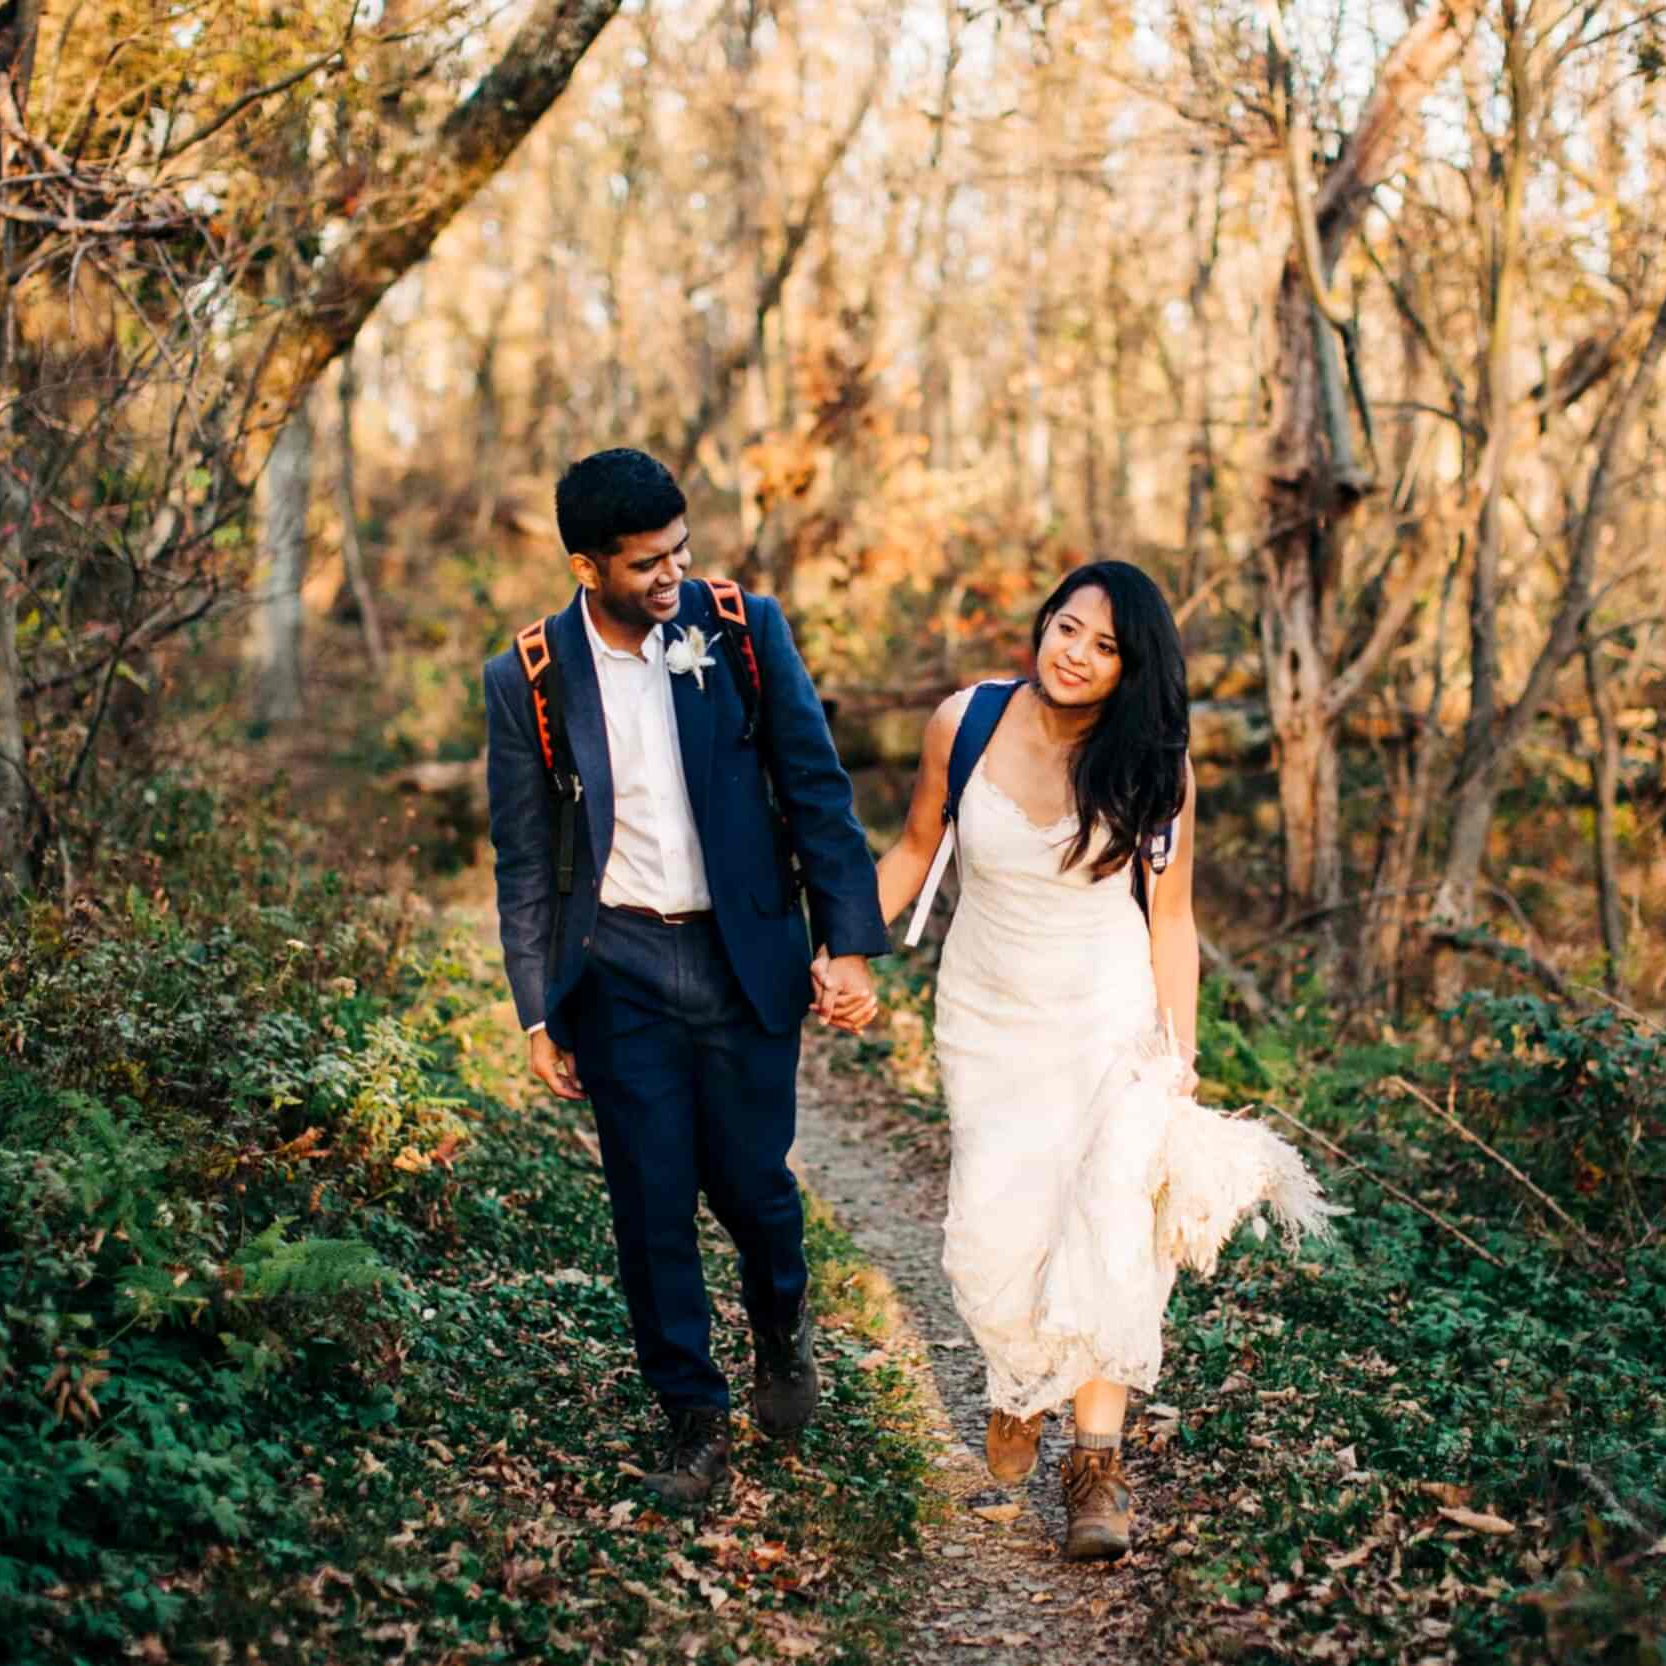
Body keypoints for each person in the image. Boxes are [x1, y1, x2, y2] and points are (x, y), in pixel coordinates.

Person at [869, 560, 1329, 1561]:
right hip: (989, 1020)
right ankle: (1014, 1383)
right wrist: (839, 945)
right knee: (992, 1240)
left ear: (1132, 669)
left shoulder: (1155, 767)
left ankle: (1094, 1466)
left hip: (1108, 1021)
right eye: (1066, 627)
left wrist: (1179, 1050)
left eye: (1104, 645)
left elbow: (1171, 917)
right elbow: (912, 848)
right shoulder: (966, 723)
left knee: (1112, 1229)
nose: (1073, 652)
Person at [483, 447, 890, 1507]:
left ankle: (780, 1324)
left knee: (752, 1184)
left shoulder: (743, 627)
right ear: (586, 565)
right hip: (615, 966)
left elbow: (816, 786)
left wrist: (845, 938)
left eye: (679, 553)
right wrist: (537, 1008)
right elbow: (525, 855)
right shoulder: (527, 676)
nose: (671, 579)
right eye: (645, 564)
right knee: (651, 1199)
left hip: (739, 950)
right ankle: (692, 1417)